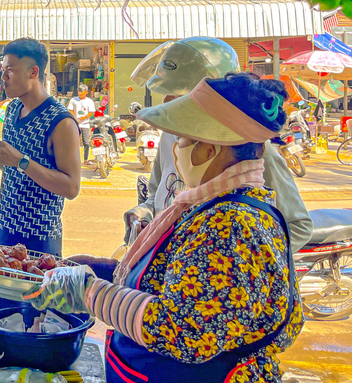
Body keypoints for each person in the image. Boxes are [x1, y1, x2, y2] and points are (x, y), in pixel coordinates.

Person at [29, 73, 303, 383]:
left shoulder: (233, 225)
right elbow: (185, 281)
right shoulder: (216, 205)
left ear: (210, 149)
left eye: (184, 140)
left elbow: (185, 330)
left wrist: (89, 292)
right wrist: (104, 270)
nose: (176, 149)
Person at [121, 37, 312, 251]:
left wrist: (244, 254)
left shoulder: (252, 151)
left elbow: (298, 226)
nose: (167, 102)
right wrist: (144, 213)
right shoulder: (169, 137)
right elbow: (158, 197)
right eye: (166, 93)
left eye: (179, 96)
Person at [0, 38, 81, 256]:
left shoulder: (61, 122)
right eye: (3, 70)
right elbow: (12, 169)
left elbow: (71, 188)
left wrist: (21, 161)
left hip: (39, 241)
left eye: (10, 71)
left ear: (33, 72)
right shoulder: (13, 109)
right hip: (3, 230)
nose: (3, 78)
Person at [67, 84, 96, 164]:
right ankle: (74, 159)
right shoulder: (74, 100)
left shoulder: (89, 101)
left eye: (81, 91)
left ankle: (86, 159)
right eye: (79, 91)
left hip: (85, 124)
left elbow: (91, 113)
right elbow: (70, 110)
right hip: (75, 124)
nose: (80, 93)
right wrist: (75, 118)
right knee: (74, 142)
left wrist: (83, 118)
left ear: (86, 92)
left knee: (86, 142)